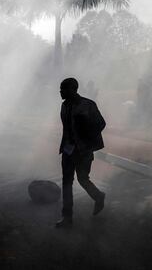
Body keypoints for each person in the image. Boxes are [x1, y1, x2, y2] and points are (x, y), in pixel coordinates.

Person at [56, 78, 106, 228]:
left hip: (83, 150)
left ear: (73, 89)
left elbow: (101, 124)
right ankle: (67, 217)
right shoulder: (64, 106)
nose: (60, 92)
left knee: (82, 179)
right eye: (60, 89)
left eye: (63, 89)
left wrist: (87, 138)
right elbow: (66, 129)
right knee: (66, 182)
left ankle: (98, 196)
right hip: (68, 150)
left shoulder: (88, 105)